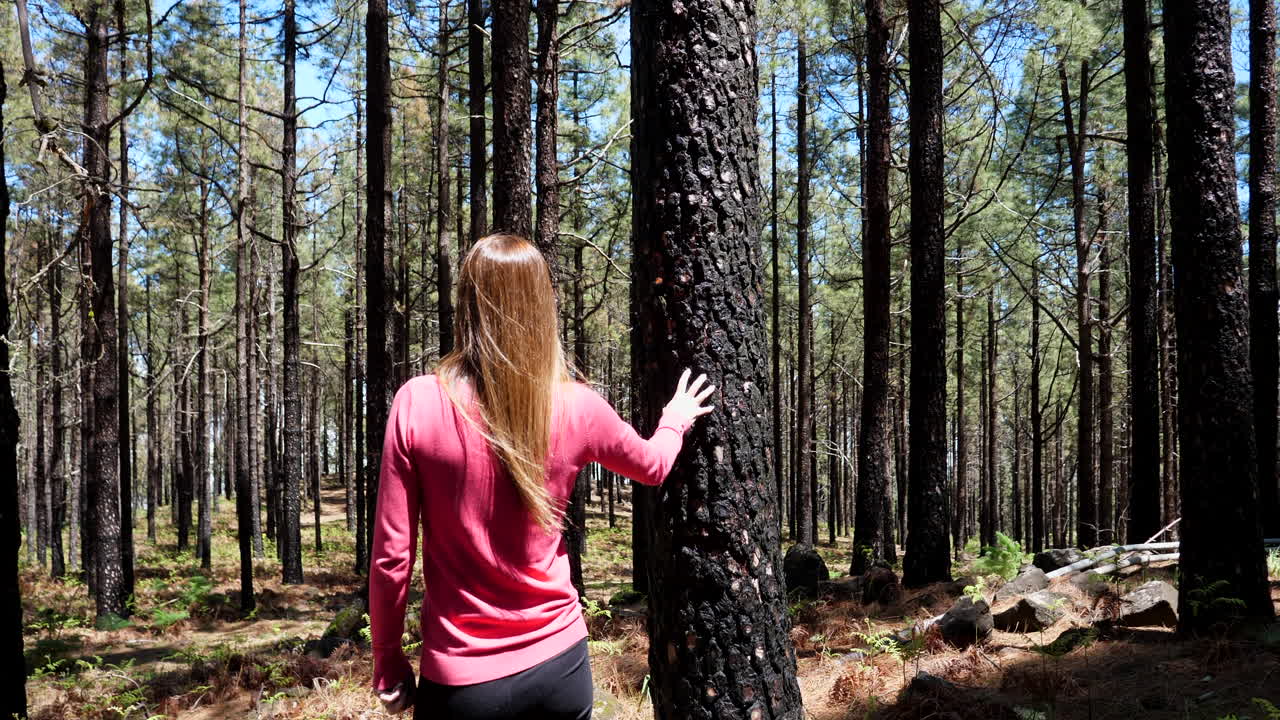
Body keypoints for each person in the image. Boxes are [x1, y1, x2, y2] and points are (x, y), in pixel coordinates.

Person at [369, 233, 715, 719]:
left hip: (462, 684)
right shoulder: (577, 405)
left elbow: (391, 558)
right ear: (541, 306)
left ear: (467, 303)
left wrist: (387, 658)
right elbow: (653, 466)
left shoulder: (418, 402)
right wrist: (676, 418)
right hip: (560, 669)